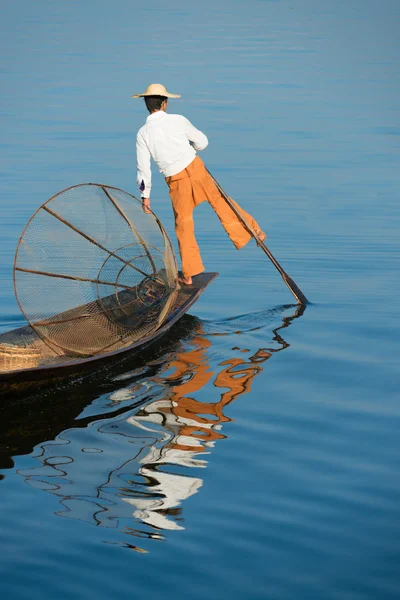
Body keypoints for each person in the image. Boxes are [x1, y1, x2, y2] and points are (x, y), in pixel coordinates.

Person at [132, 83, 266, 285]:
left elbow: (144, 168)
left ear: (146, 104)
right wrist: (191, 145)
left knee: (183, 225)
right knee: (222, 203)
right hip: (196, 169)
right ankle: (254, 232)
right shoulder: (178, 120)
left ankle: (188, 274)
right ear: (165, 103)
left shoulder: (143, 133)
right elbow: (202, 142)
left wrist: (145, 196)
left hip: (176, 180)